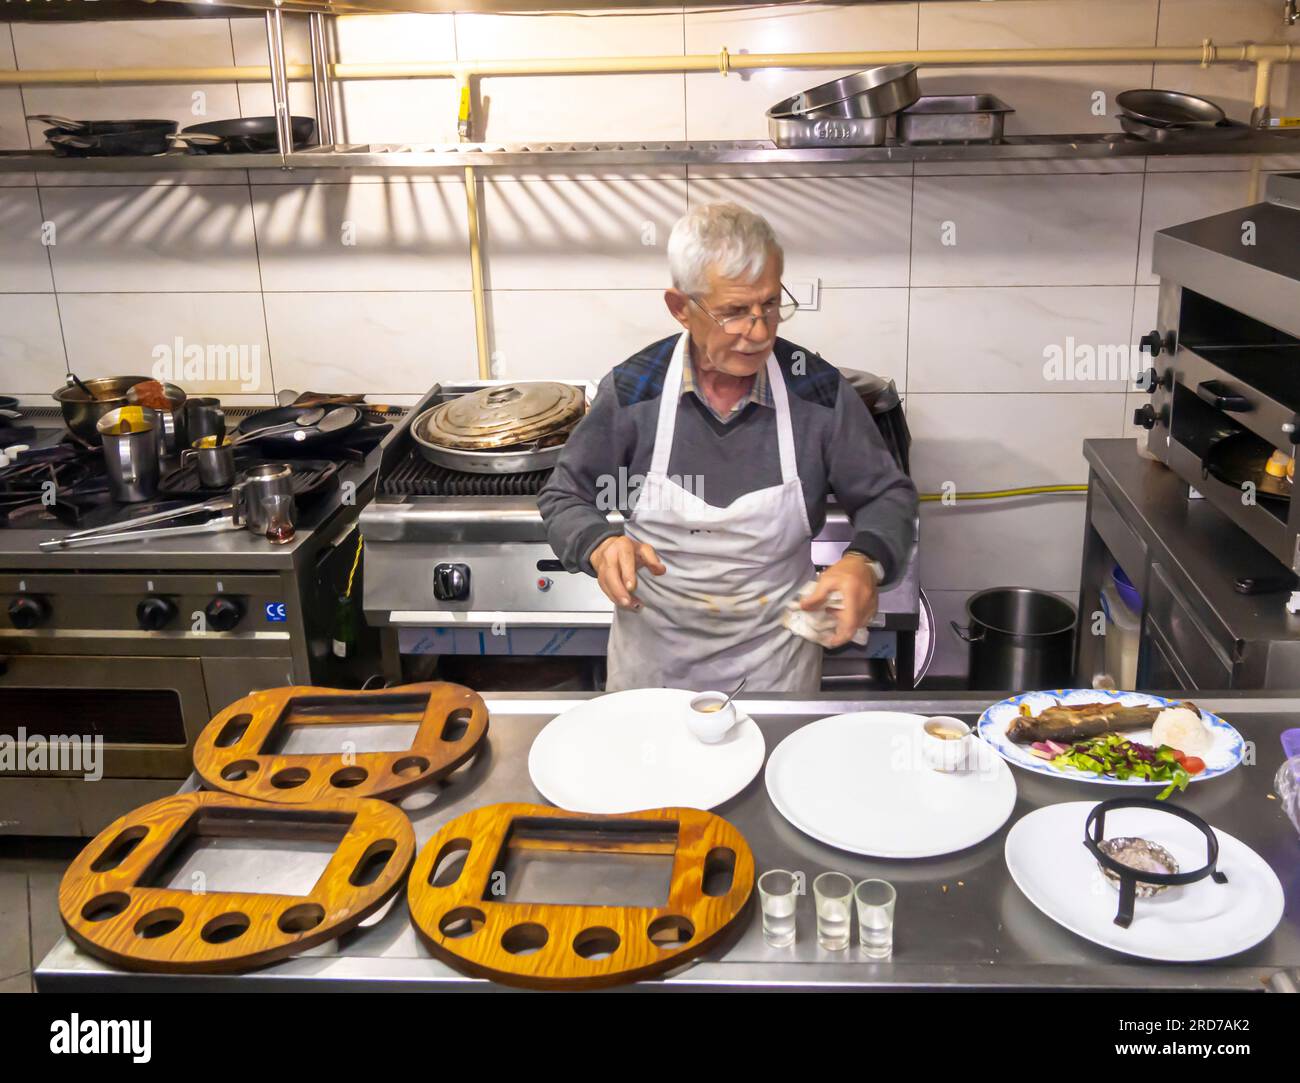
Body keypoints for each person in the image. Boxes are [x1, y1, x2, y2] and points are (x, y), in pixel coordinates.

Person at [538, 201, 917, 693]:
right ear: (681, 308)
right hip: (654, 675)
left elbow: (889, 496)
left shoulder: (817, 393)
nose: (759, 332)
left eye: (770, 305)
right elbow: (564, 495)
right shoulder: (634, 392)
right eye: (735, 312)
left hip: (775, 675)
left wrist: (864, 560)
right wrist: (598, 542)